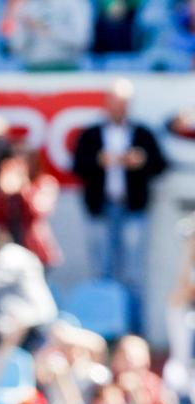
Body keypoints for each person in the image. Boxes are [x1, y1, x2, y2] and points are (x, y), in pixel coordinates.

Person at [71, 79, 168, 330]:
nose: (118, 108)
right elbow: (78, 165)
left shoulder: (142, 133)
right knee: (102, 271)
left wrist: (141, 161)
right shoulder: (92, 134)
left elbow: (159, 164)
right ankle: (104, 330)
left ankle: (134, 331)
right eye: (114, 102)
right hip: (101, 209)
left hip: (133, 209)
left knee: (133, 274)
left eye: (123, 103)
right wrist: (98, 161)